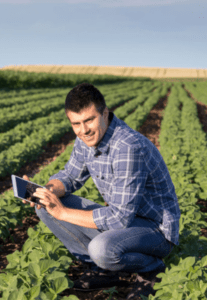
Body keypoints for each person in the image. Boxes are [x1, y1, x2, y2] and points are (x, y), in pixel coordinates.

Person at [22, 82, 180, 298]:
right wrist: (45, 191)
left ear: (105, 113)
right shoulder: (84, 139)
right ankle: (104, 270)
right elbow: (69, 177)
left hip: (155, 230)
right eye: (76, 123)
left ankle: (151, 268)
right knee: (44, 207)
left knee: (101, 249)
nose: (83, 130)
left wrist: (63, 213)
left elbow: (119, 219)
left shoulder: (127, 147)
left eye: (89, 120)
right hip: (127, 222)